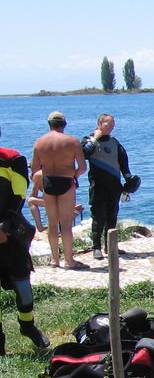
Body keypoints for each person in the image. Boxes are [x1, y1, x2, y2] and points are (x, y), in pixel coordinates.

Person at [0, 126, 50, 354]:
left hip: (10, 235)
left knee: (23, 287)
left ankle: (27, 326)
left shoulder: (12, 160)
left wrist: (4, 226)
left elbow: (19, 197)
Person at [30, 111, 87, 268]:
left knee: (52, 223)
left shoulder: (39, 142)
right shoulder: (72, 141)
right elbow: (83, 167)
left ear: (49, 124)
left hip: (48, 182)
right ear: (64, 124)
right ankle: (69, 260)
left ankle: (55, 260)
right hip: (66, 181)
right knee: (66, 224)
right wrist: (74, 175)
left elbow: (35, 169)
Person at [82, 114, 133, 260]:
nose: (111, 126)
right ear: (99, 124)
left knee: (112, 216)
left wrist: (128, 178)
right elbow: (85, 153)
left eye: (112, 124)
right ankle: (96, 247)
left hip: (114, 185)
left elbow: (123, 160)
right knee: (98, 217)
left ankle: (110, 246)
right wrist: (95, 138)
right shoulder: (88, 139)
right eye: (107, 124)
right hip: (98, 185)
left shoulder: (114, 142)